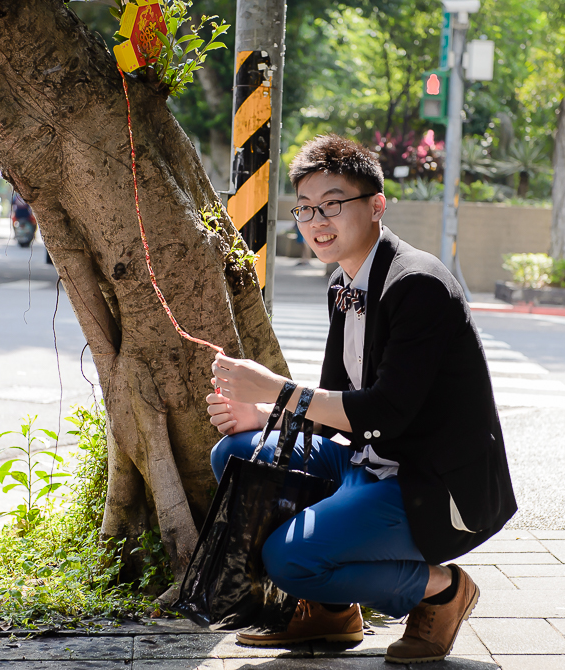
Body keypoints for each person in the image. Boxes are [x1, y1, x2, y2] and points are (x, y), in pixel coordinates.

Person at [206, 135, 517, 663]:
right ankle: (333, 611)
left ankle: (440, 589)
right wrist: (261, 414)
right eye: (304, 208)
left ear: (376, 205)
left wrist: (275, 391)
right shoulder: (342, 285)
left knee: (288, 560)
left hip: (431, 486)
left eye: (332, 205)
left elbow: (385, 411)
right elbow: (339, 406)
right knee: (236, 451)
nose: (315, 221)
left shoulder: (418, 284)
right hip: (367, 462)